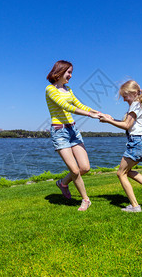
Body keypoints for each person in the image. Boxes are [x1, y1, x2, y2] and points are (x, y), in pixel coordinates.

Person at [45, 60, 100, 211]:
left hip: (73, 131)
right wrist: (89, 115)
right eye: (68, 72)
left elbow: (79, 104)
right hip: (59, 132)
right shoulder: (50, 89)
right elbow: (66, 107)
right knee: (75, 170)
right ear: (59, 72)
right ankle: (85, 199)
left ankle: (62, 183)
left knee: (85, 167)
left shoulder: (68, 89)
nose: (70, 75)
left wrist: (98, 113)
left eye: (71, 73)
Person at [99, 80, 142, 212]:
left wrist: (109, 121)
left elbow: (127, 126)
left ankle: (135, 206)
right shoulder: (140, 105)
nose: (124, 100)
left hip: (137, 144)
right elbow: (127, 123)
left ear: (133, 93)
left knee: (121, 174)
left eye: (125, 96)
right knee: (127, 172)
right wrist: (110, 118)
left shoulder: (135, 105)